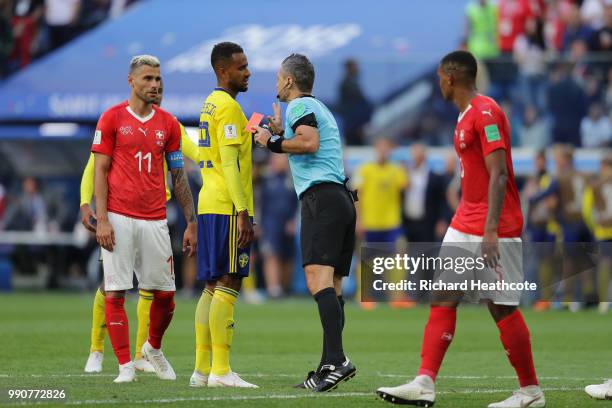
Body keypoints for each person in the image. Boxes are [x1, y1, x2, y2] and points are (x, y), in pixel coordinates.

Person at [376, 51, 544, 408]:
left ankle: (530, 391)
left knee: (501, 307)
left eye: (439, 77)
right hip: (463, 222)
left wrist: (491, 230)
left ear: (450, 77)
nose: (438, 84)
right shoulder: (465, 115)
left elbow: (499, 174)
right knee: (443, 296)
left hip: (493, 225)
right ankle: (424, 381)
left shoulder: (485, 113)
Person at [254, 53, 357, 392]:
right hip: (341, 198)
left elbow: (309, 143)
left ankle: (338, 360)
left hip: (321, 199)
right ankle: (329, 364)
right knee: (334, 286)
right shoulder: (318, 107)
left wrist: (271, 141)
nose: (275, 84)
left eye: (277, 78)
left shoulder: (299, 106)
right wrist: (285, 134)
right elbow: (312, 137)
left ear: (288, 80)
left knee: (316, 280)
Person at [91, 55, 197, 383]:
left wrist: (191, 222)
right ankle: (124, 365)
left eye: (158, 79)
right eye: (148, 79)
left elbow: (178, 177)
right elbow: (100, 170)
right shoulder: (111, 118)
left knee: (165, 295)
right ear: (132, 81)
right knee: (116, 292)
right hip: (119, 217)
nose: (155, 84)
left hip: (155, 218)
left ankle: (153, 346)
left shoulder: (168, 124)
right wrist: (103, 218)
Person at [189, 42, 257, 389]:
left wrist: (257, 130)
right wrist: (243, 211)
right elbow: (230, 163)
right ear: (222, 70)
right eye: (241, 67)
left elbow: (227, 148)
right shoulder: (228, 107)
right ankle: (221, 370)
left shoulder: (210, 103)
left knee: (212, 286)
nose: (247, 72)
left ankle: (201, 370)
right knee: (229, 281)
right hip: (228, 205)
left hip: (208, 201)